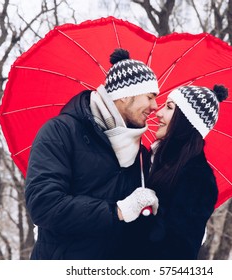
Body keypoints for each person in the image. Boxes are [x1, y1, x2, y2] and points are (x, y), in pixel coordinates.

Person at [24, 48, 160, 259]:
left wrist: (178, 225)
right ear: (125, 96)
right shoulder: (61, 132)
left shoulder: (141, 155)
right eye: (150, 97)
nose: (155, 106)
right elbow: (44, 204)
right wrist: (118, 211)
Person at [123, 84, 228, 259]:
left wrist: (146, 217)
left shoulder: (199, 179)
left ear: (187, 121)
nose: (158, 113)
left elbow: (178, 252)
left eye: (169, 107)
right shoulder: (149, 159)